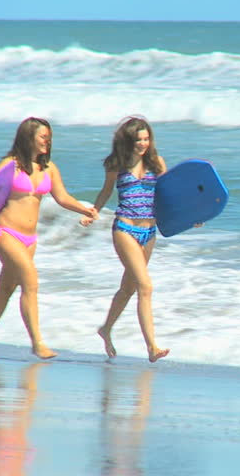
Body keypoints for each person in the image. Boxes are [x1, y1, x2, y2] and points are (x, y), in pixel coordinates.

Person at [0, 117, 99, 360]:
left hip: (30, 239)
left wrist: (85, 209)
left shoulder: (49, 168)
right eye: (43, 136)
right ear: (29, 137)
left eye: (49, 137)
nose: (48, 140)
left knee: (5, 289)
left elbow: (62, 197)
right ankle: (37, 343)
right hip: (5, 233)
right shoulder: (11, 164)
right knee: (31, 282)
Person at [80, 116, 173, 363]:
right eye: (138, 140)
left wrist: (191, 214)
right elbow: (106, 191)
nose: (143, 144)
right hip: (125, 229)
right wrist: (94, 211)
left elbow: (170, 194)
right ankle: (152, 347)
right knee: (145, 286)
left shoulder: (156, 163)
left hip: (149, 232)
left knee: (128, 288)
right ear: (128, 140)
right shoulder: (116, 164)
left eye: (146, 139)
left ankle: (106, 328)